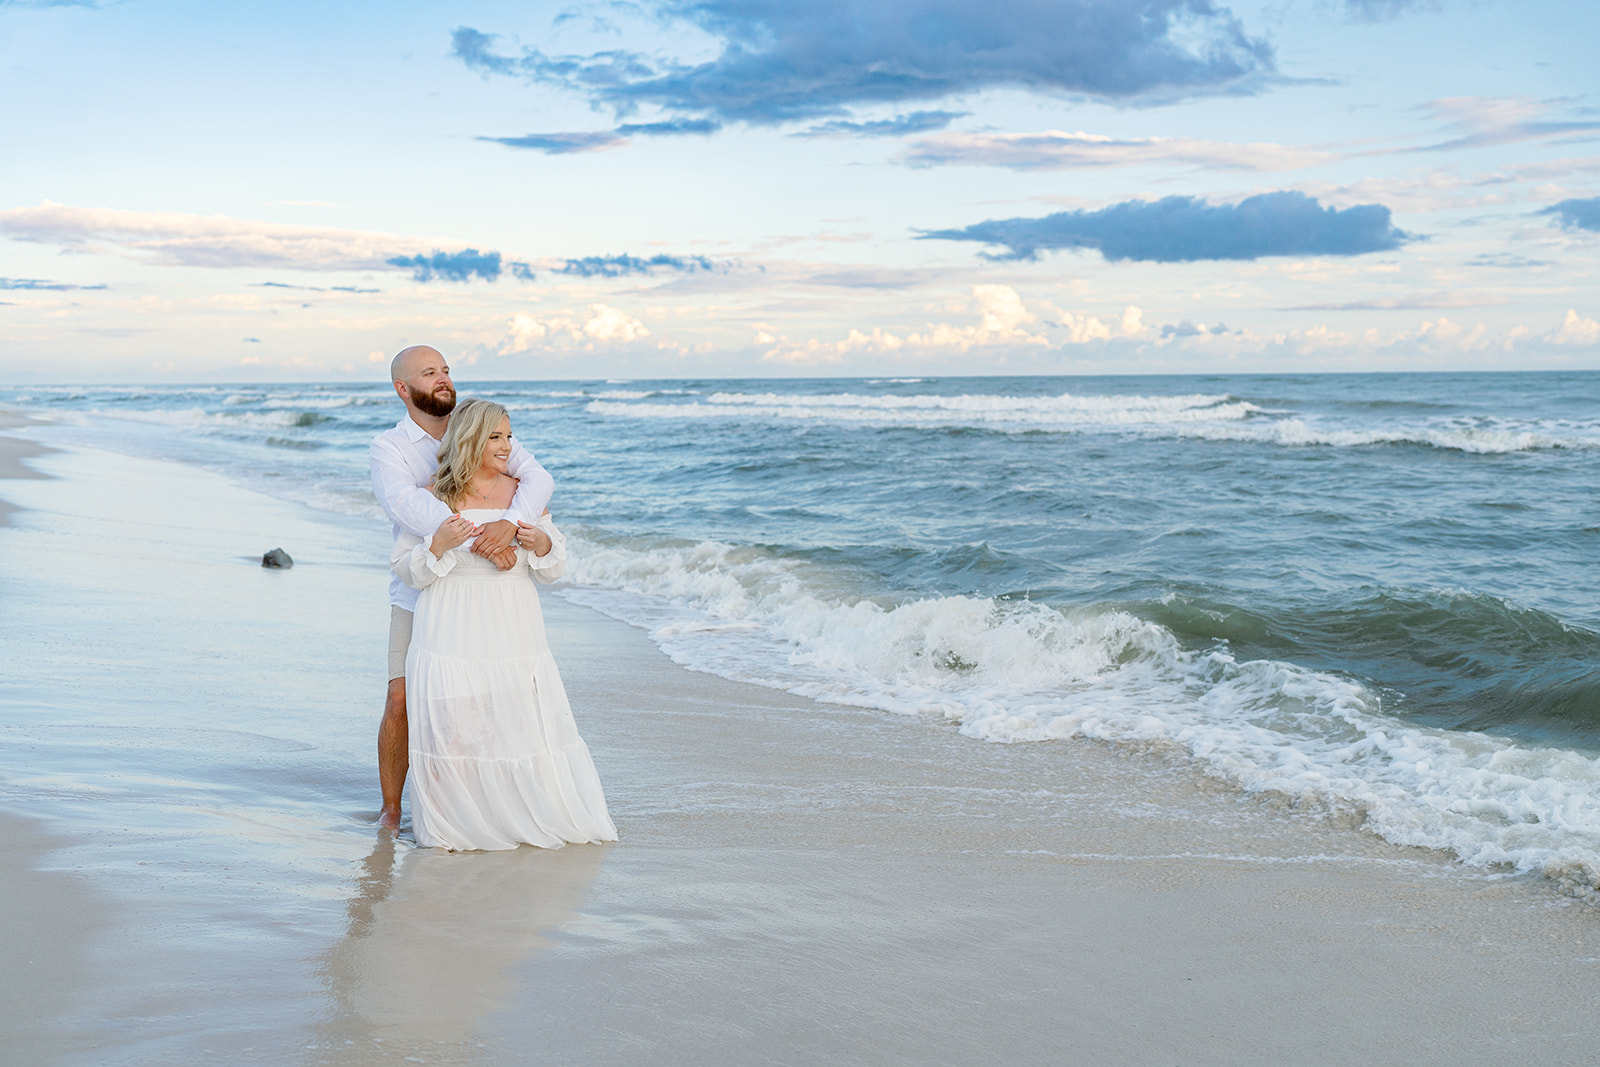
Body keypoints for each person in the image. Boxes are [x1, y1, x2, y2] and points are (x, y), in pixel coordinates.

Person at [390, 398, 617, 850]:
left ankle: (515, 814)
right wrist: (438, 545)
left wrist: (539, 542)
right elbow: (405, 568)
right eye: (495, 437)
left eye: (509, 436)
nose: (507, 446)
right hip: (449, 622)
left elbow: (554, 568)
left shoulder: (523, 496)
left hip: (511, 621)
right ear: (470, 439)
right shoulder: (431, 496)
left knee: (513, 720)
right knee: (450, 725)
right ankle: (451, 824)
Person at [369, 345, 554, 831]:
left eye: (446, 370)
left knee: (475, 701)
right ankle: (392, 809)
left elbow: (536, 478)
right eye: (430, 372)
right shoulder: (390, 448)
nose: (444, 379)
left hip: (481, 594)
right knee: (401, 697)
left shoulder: (478, 427)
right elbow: (407, 507)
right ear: (403, 388)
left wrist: (511, 524)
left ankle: (473, 806)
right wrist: (481, 541)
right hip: (418, 587)